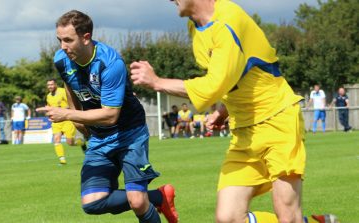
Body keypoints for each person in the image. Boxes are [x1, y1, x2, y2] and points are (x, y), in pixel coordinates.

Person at [130, 0, 337, 222]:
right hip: (244, 132)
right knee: (228, 217)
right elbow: (236, 74)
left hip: (278, 120)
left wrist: (157, 82)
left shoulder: (227, 22)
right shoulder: (195, 26)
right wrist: (224, 109)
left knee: (287, 215)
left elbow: (214, 85)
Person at [37, 10, 178, 223]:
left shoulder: (111, 63)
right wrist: (77, 117)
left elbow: (111, 115)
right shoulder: (62, 59)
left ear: (86, 38)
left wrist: (67, 114)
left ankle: (148, 199)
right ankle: (159, 197)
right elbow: (69, 85)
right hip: (100, 137)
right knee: (93, 203)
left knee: (138, 203)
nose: (62, 47)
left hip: (129, 134)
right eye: (59, 40)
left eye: (68, 40)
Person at [46, 79, 86, 164]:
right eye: (48, 85)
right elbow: (50, 107)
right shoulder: (48, 96)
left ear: (56, 84)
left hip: (67, 119)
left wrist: (60, 110)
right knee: (56, 139)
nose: (50, 86)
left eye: (52, 84)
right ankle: (62, 160)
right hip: (56, 122)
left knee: (70, 143)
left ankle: (81, 144)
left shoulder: (63, 92)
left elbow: (71, 104)